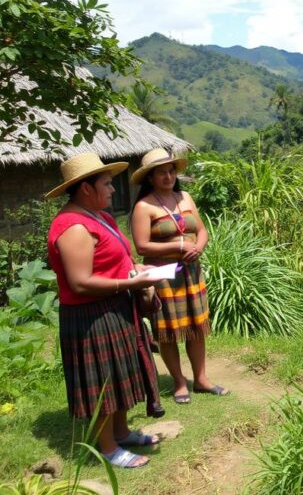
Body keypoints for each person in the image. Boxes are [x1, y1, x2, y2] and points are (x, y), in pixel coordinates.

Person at [46, 152, 166, 469]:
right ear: (86, 188)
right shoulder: (72, 226)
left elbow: (115, 260)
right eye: (107, 183)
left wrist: (135, 269)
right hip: (91, 317)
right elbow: (81, 282)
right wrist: (129, 285)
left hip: (114, 308)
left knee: (121, 374)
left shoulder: (100, 217)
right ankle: (109, 447)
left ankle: (122, 431)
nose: (113, 190)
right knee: (103, 383)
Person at [131, 148, 227, 404]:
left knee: (197, 328)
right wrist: (178, 247)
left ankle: (202, 379)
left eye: (171, 170)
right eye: (161, 172)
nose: (168, 176)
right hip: (163, 275)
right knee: (168, 332)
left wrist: (198, 247)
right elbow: (142, 246)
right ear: (150, 178)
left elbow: (202, 230)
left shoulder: (185, 196)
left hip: (191, 272)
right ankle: (179, 382)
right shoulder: (144, 206)